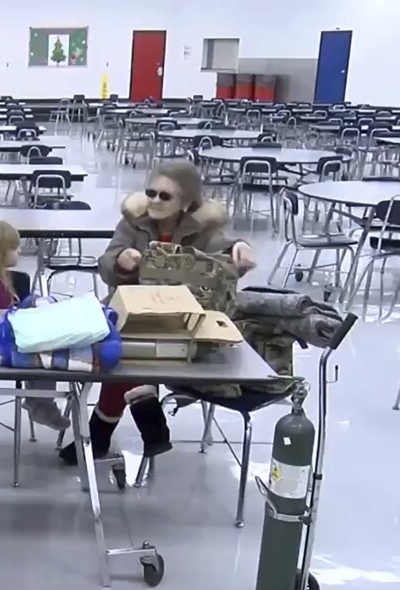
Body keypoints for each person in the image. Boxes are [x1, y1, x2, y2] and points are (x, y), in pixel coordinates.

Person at [63, 160, 256, 466]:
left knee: (129, 354)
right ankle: (147, 418)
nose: (154, 200)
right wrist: (121, 262)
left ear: (187, 202)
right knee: (123, 349)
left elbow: (224, 248)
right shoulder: (132, 223)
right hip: (130, 310)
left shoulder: (204, 229)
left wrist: (240, 248)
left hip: (181, 319)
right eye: (150, 192)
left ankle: (101, 433)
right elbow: (107, 262)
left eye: (165, 196)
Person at [0, 220, 69, 430]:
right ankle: (40, 401)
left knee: (36, 307)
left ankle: (38, 399)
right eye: (14, 247)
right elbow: (10, 326)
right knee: (46, 343)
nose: (19, 250)